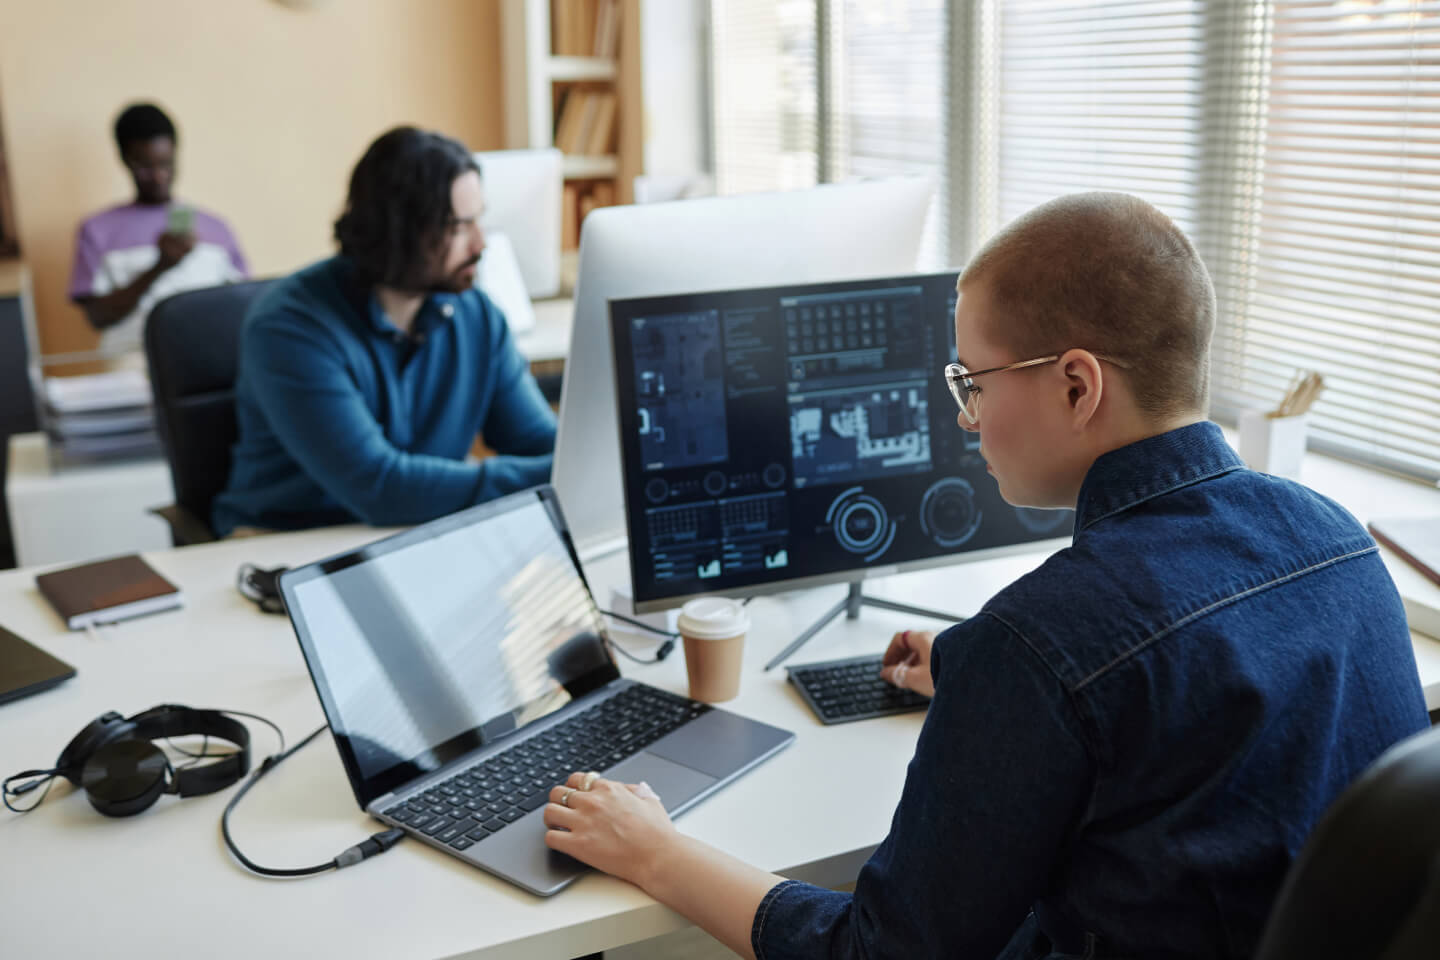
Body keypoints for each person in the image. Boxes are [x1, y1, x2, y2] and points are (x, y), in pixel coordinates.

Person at [539, 193, 1431, 959]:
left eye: (973, 382)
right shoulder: (1338, 540)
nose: (966, 419)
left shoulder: (1038, 642)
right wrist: (1001, 699)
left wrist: (655, 850)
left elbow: (879, 952)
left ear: (1077, 387)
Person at [210, 127, 554, 536]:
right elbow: (379, 486)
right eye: (458, 227)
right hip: (285, 544)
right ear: (399, 229)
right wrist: (556, 474)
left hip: (414, 534)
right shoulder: (289, 328)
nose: (481, 244)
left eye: (478, 220)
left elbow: (537, 440)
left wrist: (596, 459)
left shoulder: (479, 317)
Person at [69, 102, 248, 356]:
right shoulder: (97, 230)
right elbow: (98, 317)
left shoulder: (216, 228)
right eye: (145, 167)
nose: (158, 176)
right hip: (134, 362)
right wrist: (160, 267)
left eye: (166, 164)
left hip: (209, 359)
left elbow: (241, 304)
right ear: (125, 160)